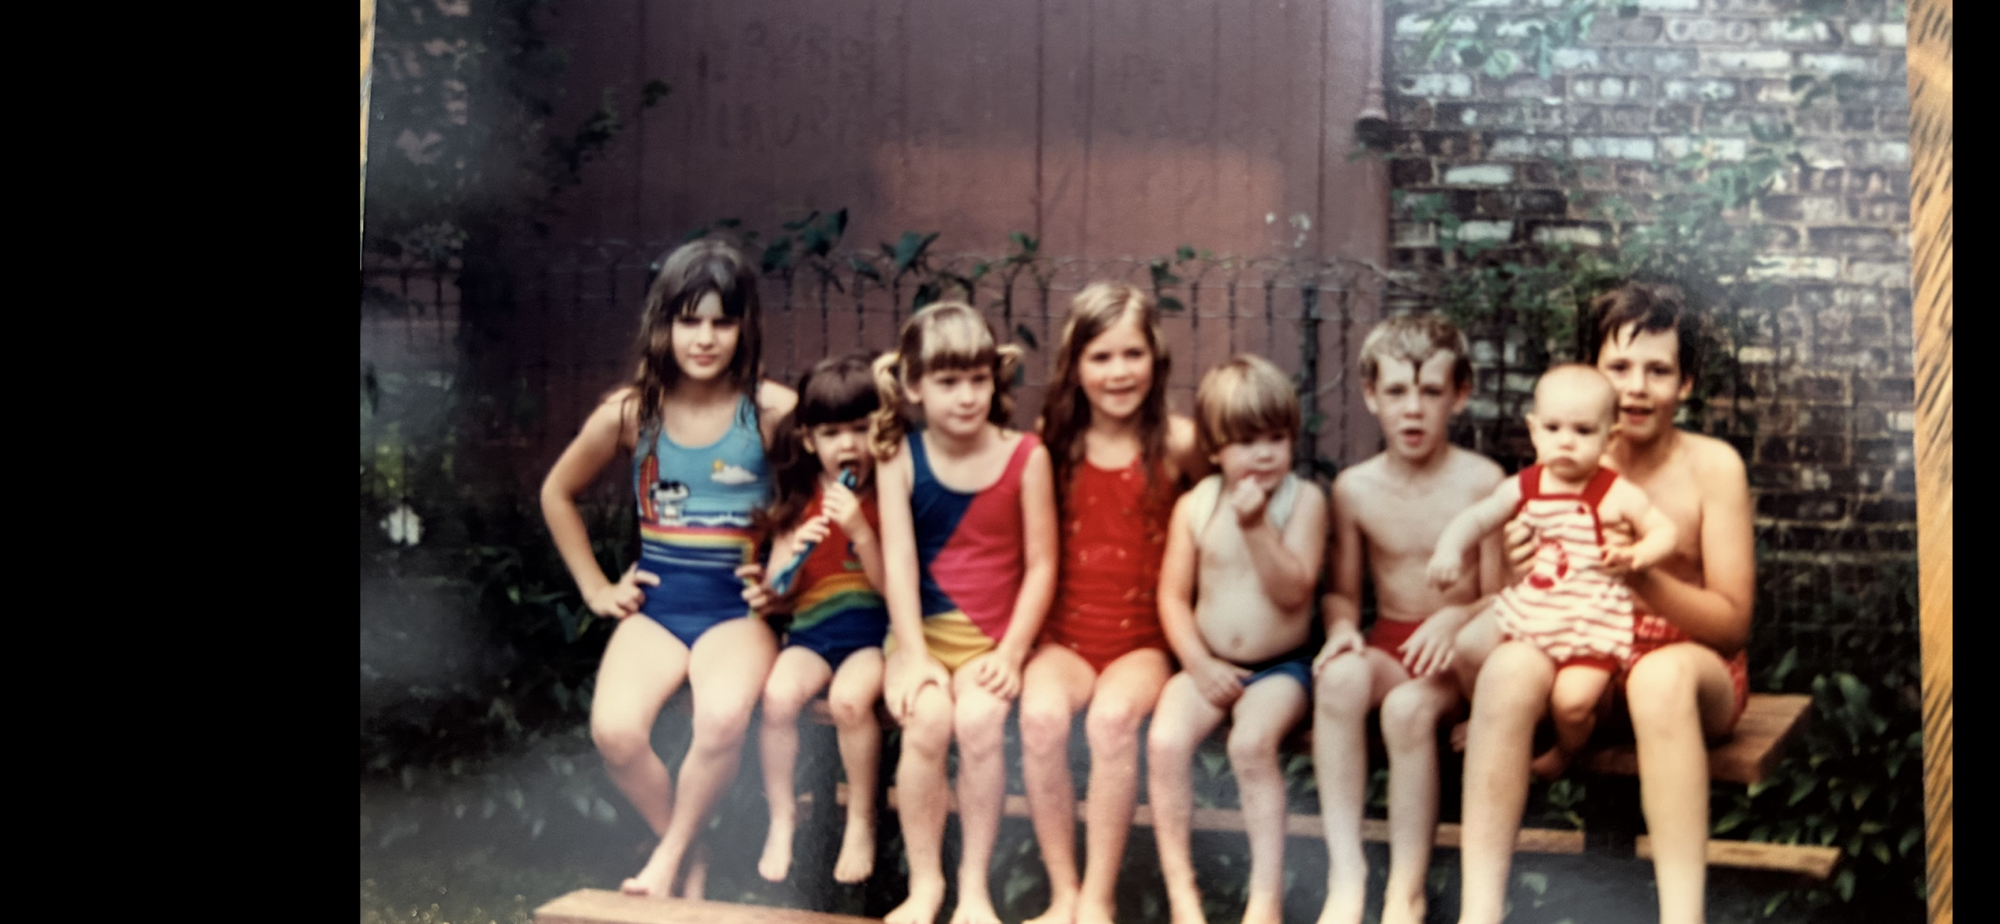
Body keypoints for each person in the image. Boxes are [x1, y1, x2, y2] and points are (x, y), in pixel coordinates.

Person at [1454, 282, 1754, 924]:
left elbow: (1731, 627)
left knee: (1657, 679)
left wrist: (1641, 576)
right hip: (1584, 657)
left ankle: (1682, 918)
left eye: (1659, 370)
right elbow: (1519, 597)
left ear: (1687, 382)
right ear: (1592, 373)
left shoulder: (1713, 467)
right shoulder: (1566, 456)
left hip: (1690, 664)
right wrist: (1522, 564)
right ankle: (1480, 912)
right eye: (1619, 367)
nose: (1636, 388)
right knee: (1508, 669)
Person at [539, 239, 797, 897]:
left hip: (735, 615)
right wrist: (597, 587)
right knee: (615, 733)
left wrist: (784, 578)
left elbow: (819, 504)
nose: (704, 339)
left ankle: (671, 858)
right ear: (663, 324)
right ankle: (688, 847)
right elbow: (557, 492)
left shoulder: (773, 412)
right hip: (656, 609)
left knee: (721, 718)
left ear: (746, 326)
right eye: (689, 321)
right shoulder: (633, 412)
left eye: (721, 322)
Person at [1308, 315, 1507, 924]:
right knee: (1338, 679)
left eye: (1431, 391)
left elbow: (1507, 596)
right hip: (1391, 644)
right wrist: (1342, 629)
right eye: (1396, 391)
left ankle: (1406, 893)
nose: (1412, 410)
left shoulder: (1484, 483)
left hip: (1455, 664)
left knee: (1406, 710)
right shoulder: (1355, 489)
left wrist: (1457, 617)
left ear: (1459, 395)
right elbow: (1343, 594)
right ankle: (1346, 879)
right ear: (1371, 395)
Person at [1019, 283, 1207, 924]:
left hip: (1143, 642)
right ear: (1074, 365)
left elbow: (1215, 528)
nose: (1118, 372)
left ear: (1156, 357)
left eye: (1132, 354)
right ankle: (1063, 892)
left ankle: (1098, 899)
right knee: (1040, 719)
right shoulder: (1053, 442)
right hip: (1065, 637)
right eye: (1100, 357)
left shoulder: (1179, 443)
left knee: (1112, 721)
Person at [871, 302, 1059, 924]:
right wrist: (913, 656)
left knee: (979, 726)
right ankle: (925, 886)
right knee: (926, 722)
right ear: (914, 387)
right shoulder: (900, 457)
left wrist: (1011, 653)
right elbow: (899, 562)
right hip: (917, 637)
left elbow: (1042, 566)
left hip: (993, 645)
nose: (967, 396)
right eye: (948, 381)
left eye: (978, 379)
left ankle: (974, 889)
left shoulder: (1026, 455)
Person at [1428, 364, 1678, 781]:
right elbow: (1477, 518)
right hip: (1536, 601)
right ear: (1534, 431)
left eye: (1583, 431)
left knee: (1572, 703)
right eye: (1553, 428)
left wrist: (1638, 554)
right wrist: (1449, 549)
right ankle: (1485, 714)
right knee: (1470, 645)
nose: (1566, 441)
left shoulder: (1615, 493)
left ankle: (1565, 751)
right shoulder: (1525, 485)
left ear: (1609, 438)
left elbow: (1664, 530)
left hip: (1589, 615)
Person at [1147, 354, 1329, 924]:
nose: (1265, 454)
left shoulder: (1303, 501)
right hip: (1209, 663)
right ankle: (1183, 895)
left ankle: (1264, 901)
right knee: (1164, 742)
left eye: (1277, 438)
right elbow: (1172, 598)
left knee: (1250, 745)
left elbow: (1294, 591)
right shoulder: (1196, 505)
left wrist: (1255, 527)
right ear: (1215, 448)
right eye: (1247, 441)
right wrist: (1198, 663)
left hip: (1281, 668)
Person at [740, 353, 891, 885]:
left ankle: (861, 820)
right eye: (831, 433)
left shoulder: (888, 497)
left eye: (861, 429)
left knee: (850, 702)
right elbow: (778, 590)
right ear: (808, 441)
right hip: (810, 635)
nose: (848, 445)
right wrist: (787, 559)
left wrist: (860, 532)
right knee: (778, 698)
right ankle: (782, 817)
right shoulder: (802, 498)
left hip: (872, 639)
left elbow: (893, 588)